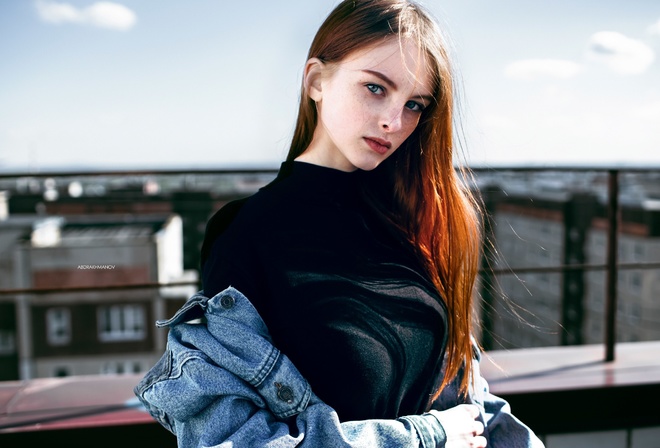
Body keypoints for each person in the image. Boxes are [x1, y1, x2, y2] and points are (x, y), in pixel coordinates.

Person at [135, 1, 545, 446]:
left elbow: (468, 400)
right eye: (374, 88)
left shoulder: (413, 220)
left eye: (414, 104)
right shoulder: (246, 234)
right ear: (316, 81)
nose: (393, 121)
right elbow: (235, 439)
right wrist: (424, 437)